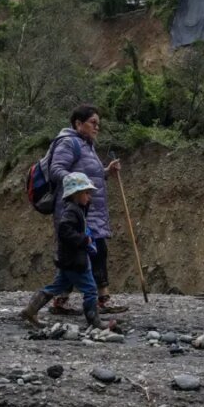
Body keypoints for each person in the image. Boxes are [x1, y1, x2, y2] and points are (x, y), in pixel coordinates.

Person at [46, 104, 124, 316]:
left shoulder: (87, 146)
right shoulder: (69, 143)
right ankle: (102, 299)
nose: (97, 127)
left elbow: (91, 177)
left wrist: (107, 171)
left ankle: (61, 299)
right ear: (78, 124)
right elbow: (56, 170)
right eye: (93, 123)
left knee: (80, 253)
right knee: (90, 251)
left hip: (92, 209)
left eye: (98, 124)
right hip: (74, 210)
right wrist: (78, 185)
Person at [21, 172, 117, 330]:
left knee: (56, 286)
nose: (89, 197)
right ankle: (95, 321)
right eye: (86, 193)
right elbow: (64, 229)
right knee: (90, 289)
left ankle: (30, 310)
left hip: (67, 259)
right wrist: (83, 239)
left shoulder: (76, 209)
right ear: (76, 194)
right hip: (75, 259)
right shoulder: (72, 211)